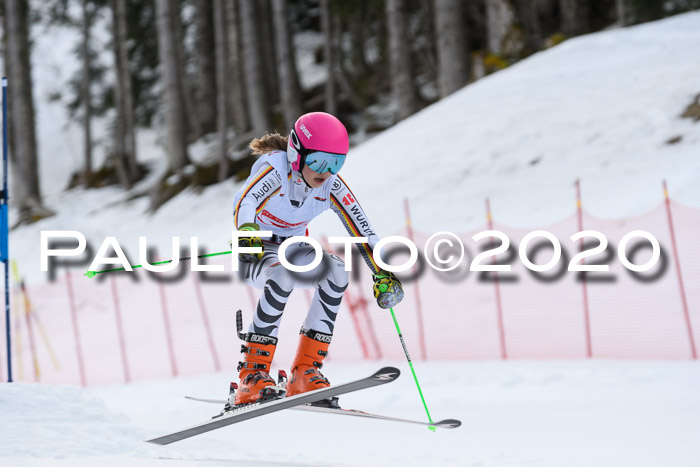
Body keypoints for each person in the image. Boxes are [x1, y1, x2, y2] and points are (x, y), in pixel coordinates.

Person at [231, 112, 404, 406]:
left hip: (294, 249)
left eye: (336, 162)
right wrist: (247, 232)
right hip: (256, 251)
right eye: (319, 161)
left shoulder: (330, 185)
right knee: (281, 275)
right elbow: (245, 201)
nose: (326, 170)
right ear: (297, 153)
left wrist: (383, 273)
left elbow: (363, 230)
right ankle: (252, 374)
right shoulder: (276, 169)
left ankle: (305, 370)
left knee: (337, 271)